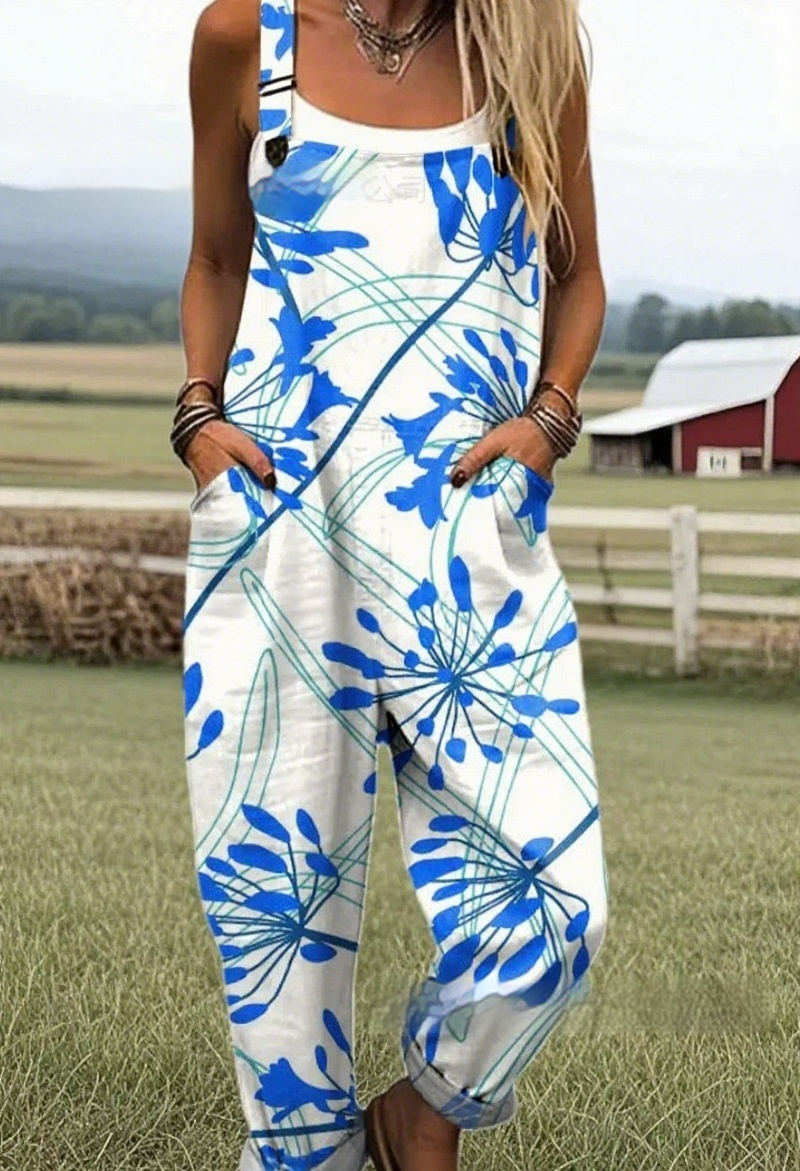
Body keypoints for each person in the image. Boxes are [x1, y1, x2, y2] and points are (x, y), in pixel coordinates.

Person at [174, 0, 609, 1168]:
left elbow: (576, 277)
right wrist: (198, 417)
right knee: (278, 908)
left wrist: (547, 420)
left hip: (463, 535)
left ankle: (420, 1111)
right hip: (282, 523)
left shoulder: (527, 50)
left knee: (559, 903)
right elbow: (215, 257)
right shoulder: (245, 38)